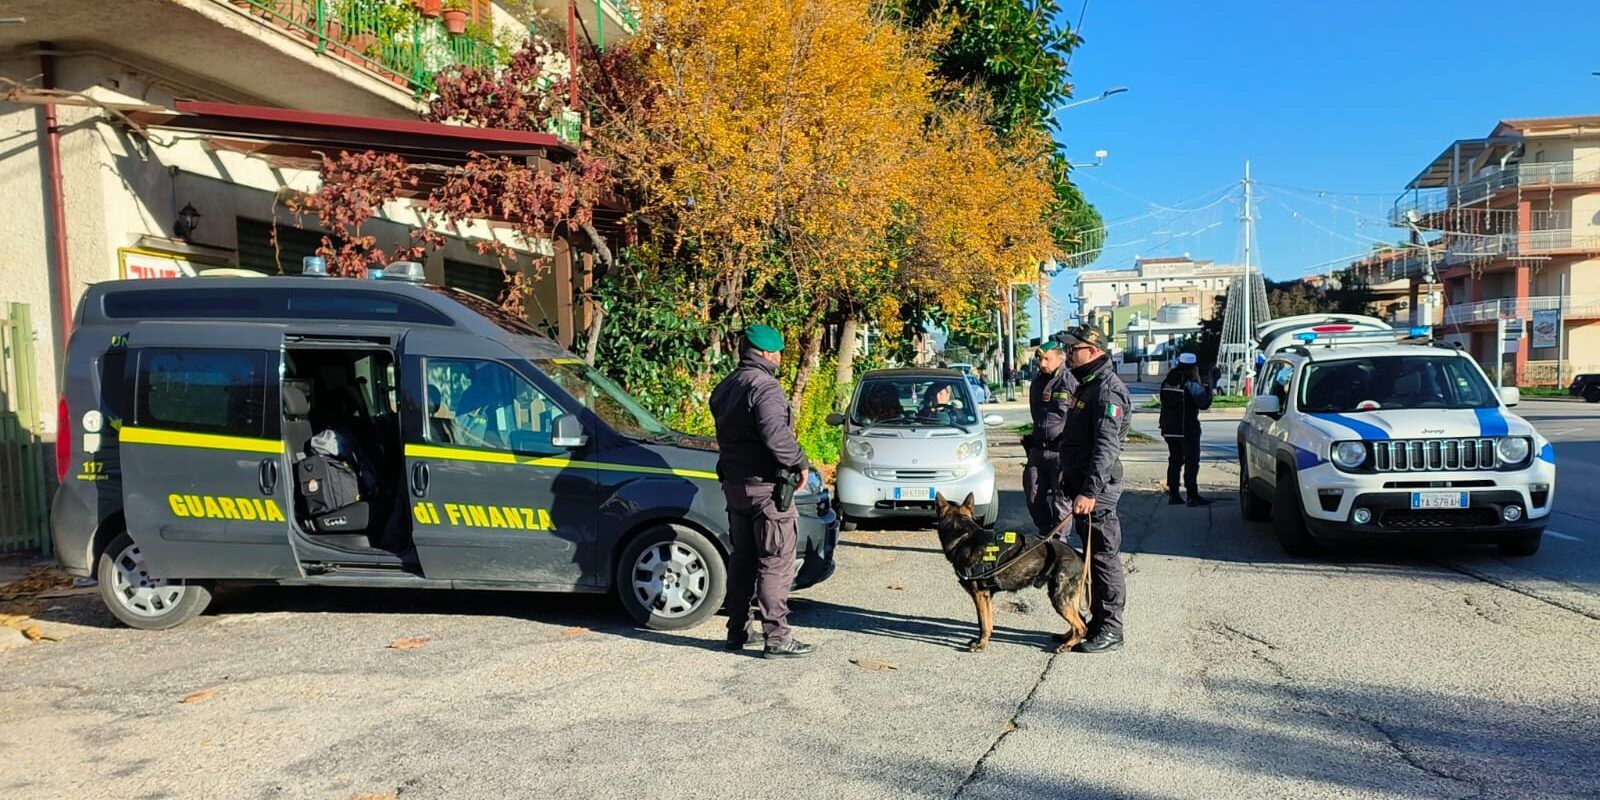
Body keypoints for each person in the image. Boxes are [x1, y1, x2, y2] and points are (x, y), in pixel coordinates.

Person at [709, 324, 815, 659]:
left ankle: (737, 630)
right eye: (780, 351)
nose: (781, 357)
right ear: (769, 353)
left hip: (735, 485)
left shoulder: (726, 386)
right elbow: (775, 436)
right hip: (767, 489)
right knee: (775, 561)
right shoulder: (765, 387)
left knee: (742, 559)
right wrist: (800, 462)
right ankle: (778, 638)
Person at [1054, 324, 1132, 654]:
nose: (1069, 354)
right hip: (1085, 485)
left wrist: (1089, 491)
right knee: (1092, 557)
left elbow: (1106, 446)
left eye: (1074, 349)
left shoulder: (1107, 390)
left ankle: (1112, 629)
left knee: (1103, 559)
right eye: (1068, 349)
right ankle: (1096, 623)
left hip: (1097, 489)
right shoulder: (1089, 384)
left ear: (1094, 351)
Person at [1023, 341, 1075, 536]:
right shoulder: (1037, 383)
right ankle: (1046, 534)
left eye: (1047, 359)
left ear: (1060, 358)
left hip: (1061, 451)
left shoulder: (1070, 380)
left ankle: (1059, 543)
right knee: (1033, 496)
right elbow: (1035, 414)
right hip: (1038, 450)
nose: (1042, 363)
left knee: (1061, 501)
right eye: (1039, 359)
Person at [1159, 353, 1214, 506]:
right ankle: (1192, 495)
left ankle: (1174, 495)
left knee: (1175, 460)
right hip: (1187, 428)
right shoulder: (1189, 383)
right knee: (1191, 461)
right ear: (1193, 367)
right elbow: (1203, 403)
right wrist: (1208, 387)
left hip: (1169, 428)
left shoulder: (1167, 382)